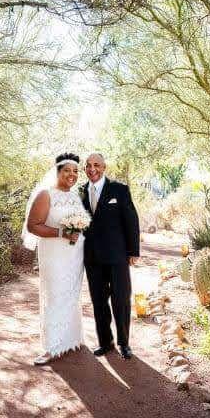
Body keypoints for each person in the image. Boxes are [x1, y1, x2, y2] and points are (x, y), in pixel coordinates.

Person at [22, 153, 87, 366]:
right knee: (55, 295)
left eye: (75, 171)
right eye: (67, 170)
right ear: (58, 171)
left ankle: (72, 340)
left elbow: (81, 223)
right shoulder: (45, 195)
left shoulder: (76, 197)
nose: (72, 174)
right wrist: (62, 234)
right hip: (54, 255)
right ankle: (52, 346)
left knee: (71, 294)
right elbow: (33, 225)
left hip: (74, 255)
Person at [80, 153, 140, 359]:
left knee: (121, 300)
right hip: (92, 258)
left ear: (104, 167)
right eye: (88, 166)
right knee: (98, 301)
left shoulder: (119, 190)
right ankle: (105, 342)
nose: (92, 169)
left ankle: (124, 343)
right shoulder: (81, 191)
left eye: (96, 165)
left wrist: (133, 252)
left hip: (117, 256)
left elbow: (131, 221)